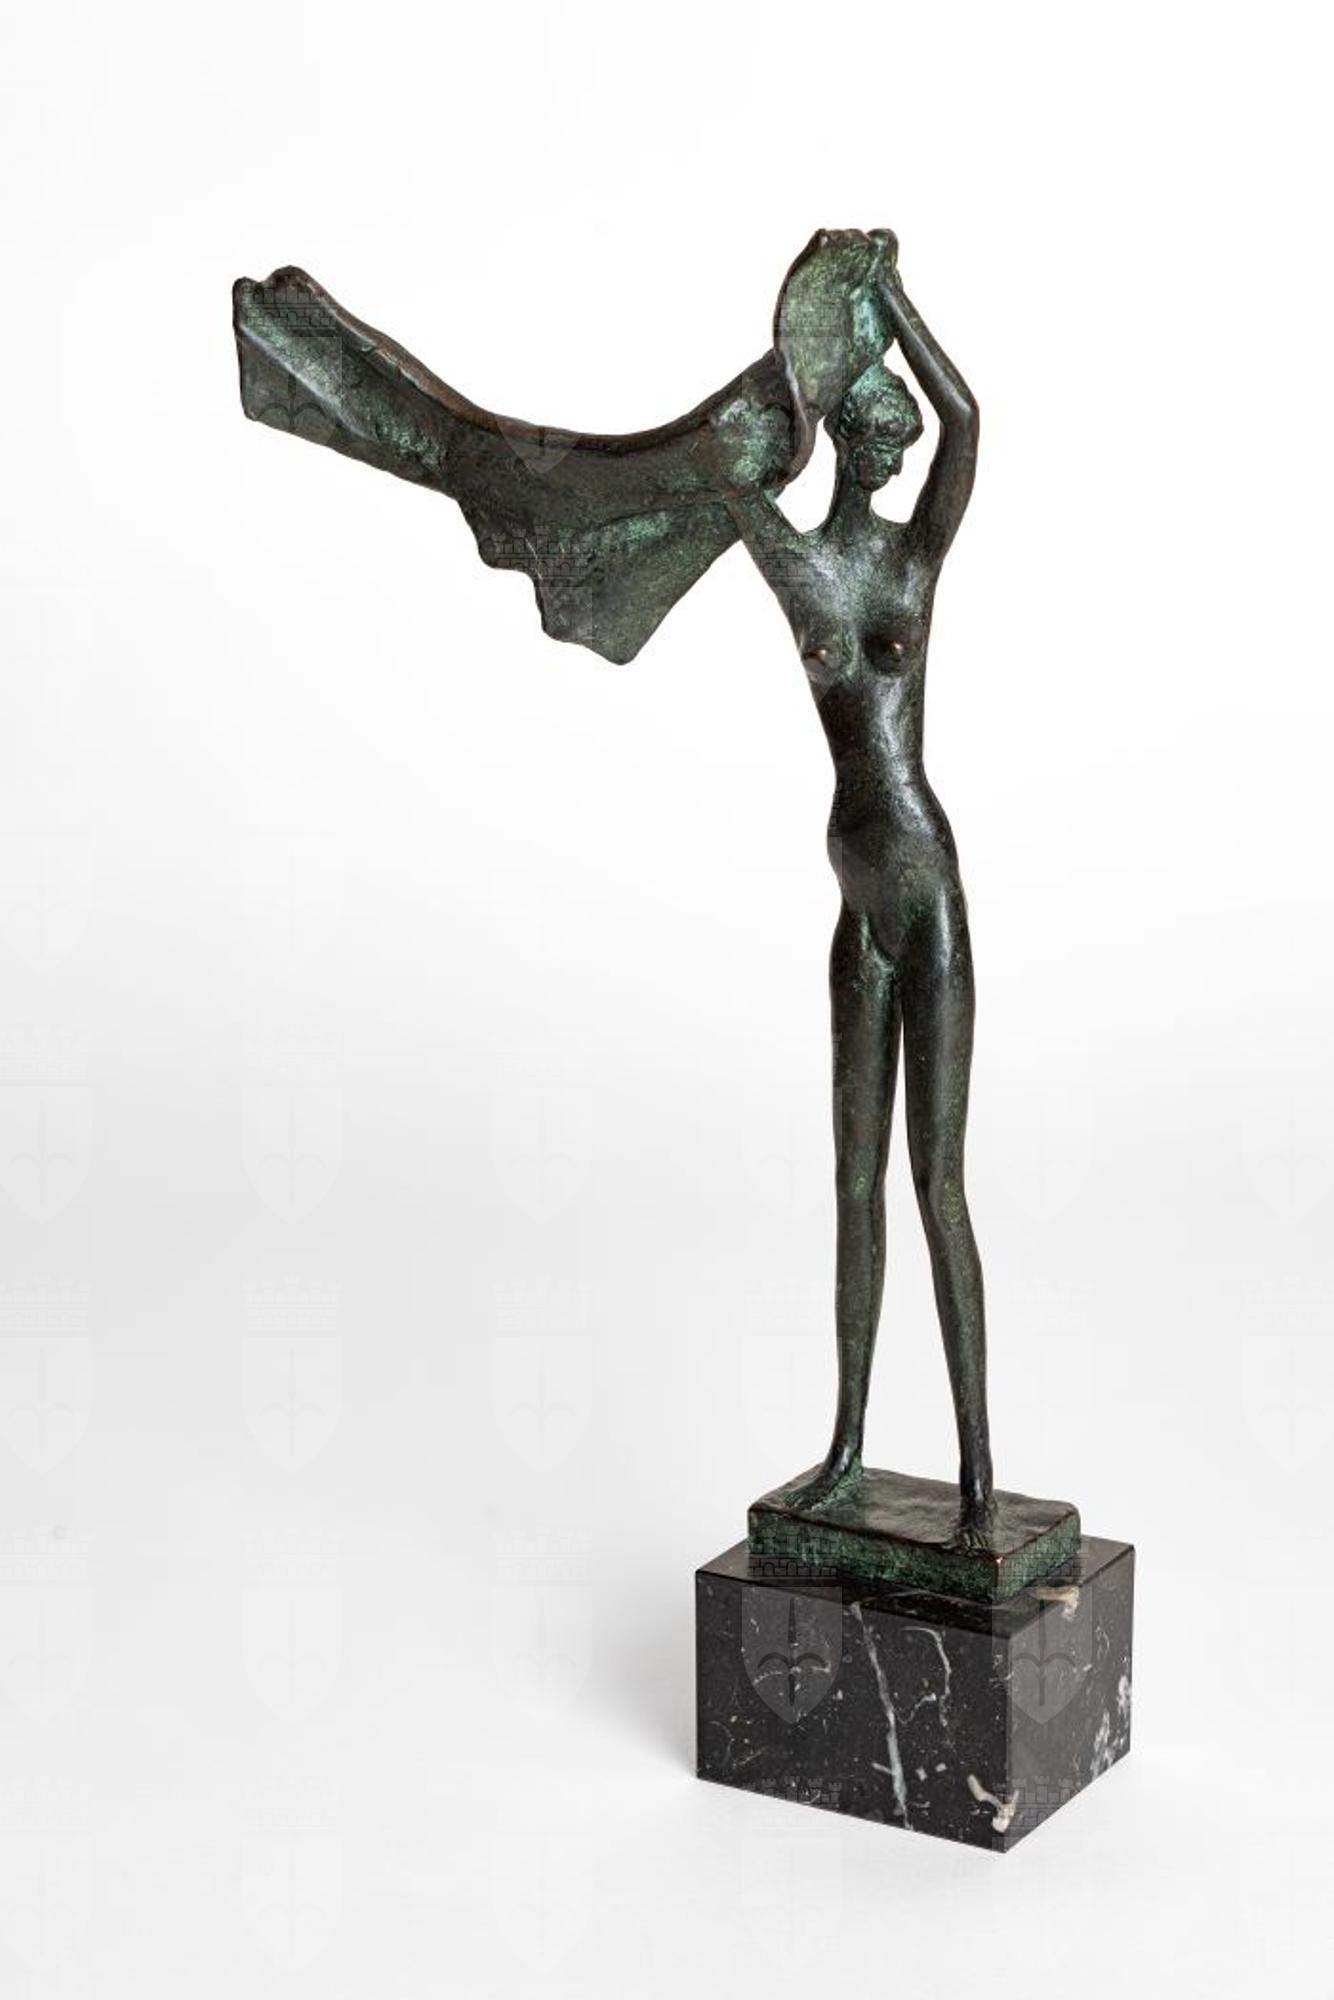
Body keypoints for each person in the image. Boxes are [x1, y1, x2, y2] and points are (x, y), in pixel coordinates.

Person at [723, 250, 993, 1526]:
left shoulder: (912, 562)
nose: (892, 451)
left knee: (935, 1185)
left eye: (898, 437)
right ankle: (844, 1444)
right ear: (843, 433)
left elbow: (968, 421)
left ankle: (977, 1474)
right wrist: (802, 365)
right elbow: (721, 480)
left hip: (924, 889)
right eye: (874, 430)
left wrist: (890, 307)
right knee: (850, 1184)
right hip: (857, 911)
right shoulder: (795, 566)